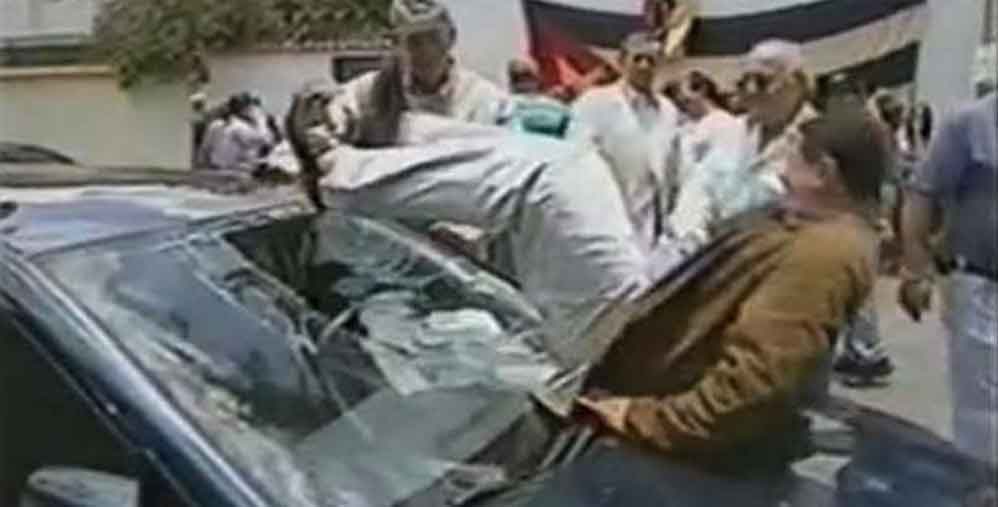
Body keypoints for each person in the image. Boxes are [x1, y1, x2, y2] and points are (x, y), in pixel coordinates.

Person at [577, 107, 887, 467]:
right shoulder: (811, 231)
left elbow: (753, 386)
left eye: (792, 161)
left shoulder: (822, 257)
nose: (781, 174)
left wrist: (640, 418)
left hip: (684, 456)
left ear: (823, 173)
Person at [899, 92, 997, 465]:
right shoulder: (969, 124)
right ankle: (982, 483)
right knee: (983, 412)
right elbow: (922, 196)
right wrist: (916, 270)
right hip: (981, 286)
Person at [669, 39, 819, 249]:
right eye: (743, 81)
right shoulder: (732, 132)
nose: (750, 90)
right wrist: (690, 238)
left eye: (761, 81)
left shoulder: (818, 140)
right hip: (715, 253)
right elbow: (699, 190)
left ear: (796, 83)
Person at [324, 0, 511, 145]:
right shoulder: (368, 94)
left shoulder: (484, 100)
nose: (426, 50)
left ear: (452, 37)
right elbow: (330, 126)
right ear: (397, 44)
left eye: (434, 38)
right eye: (414, 41)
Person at [572, 32, 682, 258]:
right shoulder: (595, 103)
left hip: (654, 229)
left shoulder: (668, 111)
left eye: (651, 60)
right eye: (638, 58)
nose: (644, 66)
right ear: (621, 62)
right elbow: (577, 160)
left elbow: (673, 168)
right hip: (606, 221)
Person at [672, 70, 741, 185]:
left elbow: (727, 168)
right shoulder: (692, 125)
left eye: (686, 101)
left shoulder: (724, 122)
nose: (685, 108)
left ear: (701, 91)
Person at [209, 93, 271, 172]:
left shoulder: (216, 124)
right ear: (245, 109)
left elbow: (205, 150)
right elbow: (263, 140)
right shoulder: (239, 126)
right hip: (231, 170)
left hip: (216, 167)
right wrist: (260, 118)